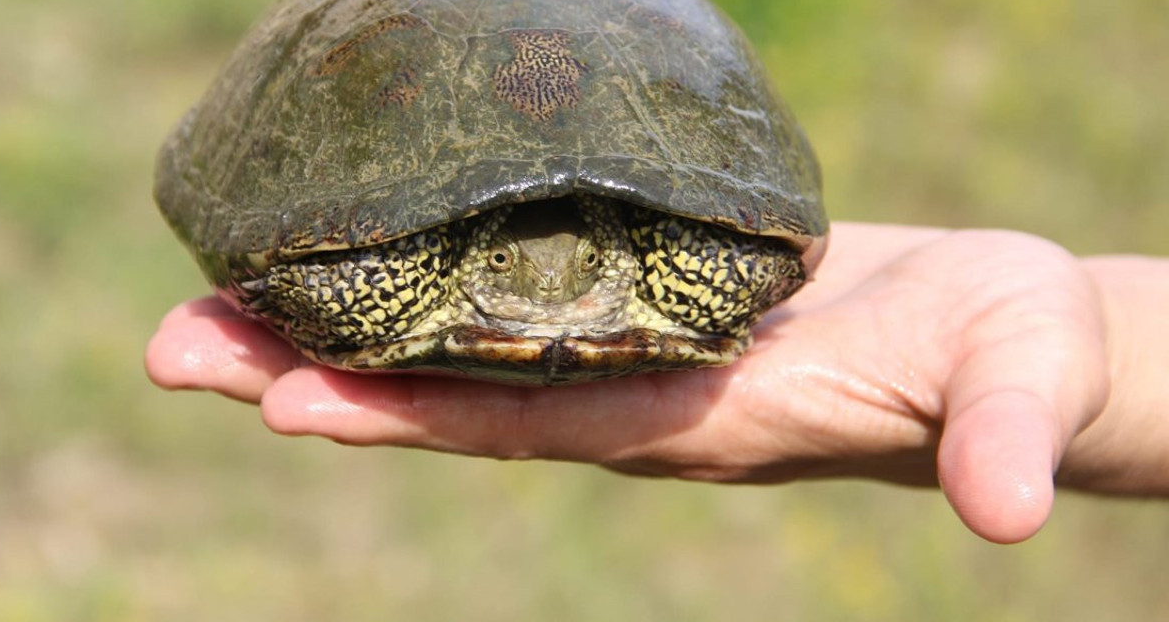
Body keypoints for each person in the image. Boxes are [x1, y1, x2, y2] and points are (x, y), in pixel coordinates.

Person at [144, 222, 1169, 544]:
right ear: (473, 261)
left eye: (579, 265)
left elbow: (769, 259)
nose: (545, 288)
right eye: (504, 268)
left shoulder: (665, 267)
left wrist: (1114, 342)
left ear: (613, 255)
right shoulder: (415, 268)